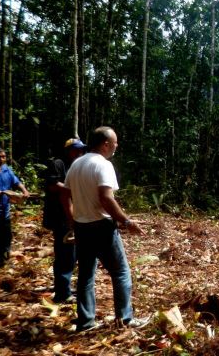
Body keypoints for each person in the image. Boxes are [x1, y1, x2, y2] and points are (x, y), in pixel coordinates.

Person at [62, 126, 148, 332]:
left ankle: (85, 321)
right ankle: (125, 319)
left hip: (82, 227)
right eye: (115, 142)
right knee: (120, 272)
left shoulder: (76, 164)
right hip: (102, 226)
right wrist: (126, 221)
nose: (116, 146)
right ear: (106, 144)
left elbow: (64, 195)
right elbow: (106, 197)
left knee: (85, 275)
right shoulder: (103, 165)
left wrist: (72, 219)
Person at [43, 138, 86, 303]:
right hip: (60, 216)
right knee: (65, 254)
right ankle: (62, 293)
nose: (79, 153)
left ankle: (64, 286)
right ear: (68, 150)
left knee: (72, 254)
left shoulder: (77, 166)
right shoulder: (58, 164)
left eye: (81, 150)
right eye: (76, 150)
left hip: (73, 215)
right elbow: (52, 185)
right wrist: (71, 188)